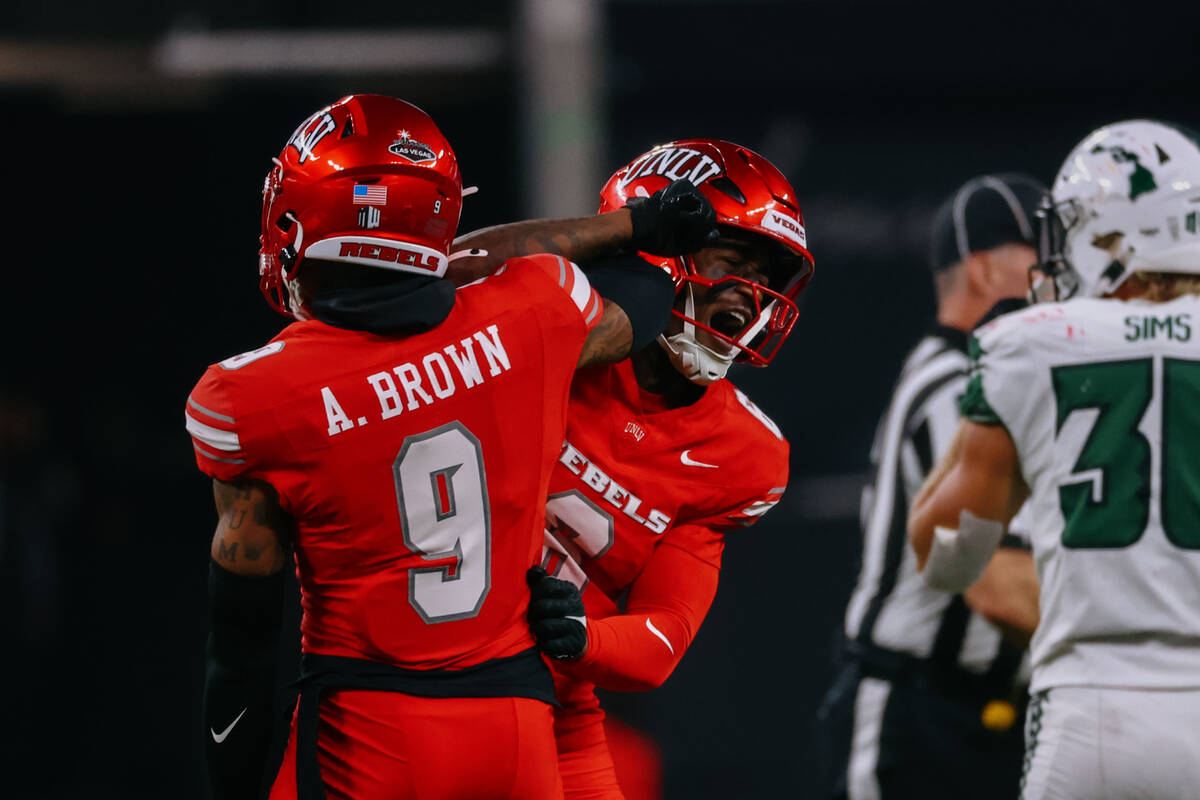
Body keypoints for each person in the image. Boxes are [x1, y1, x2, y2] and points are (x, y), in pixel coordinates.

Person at [186, 94, 718, 800]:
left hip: (374, 728)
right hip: (518, 731)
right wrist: (635, 226)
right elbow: (648, 289)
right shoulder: (534, 313)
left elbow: (244, 651)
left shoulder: (252, 396)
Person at [455, 138, 813, 798]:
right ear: (660, 245)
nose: (749, 297)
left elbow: (662, 636)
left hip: (553, 710)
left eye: (765, 279)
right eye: (732, 261)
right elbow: (441, 275)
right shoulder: (551, 325)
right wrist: (619, 235)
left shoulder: (746, 454)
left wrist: (580, 637)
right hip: (406, 677)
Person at [909, 120, 1200, 799]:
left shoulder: (1034, 345)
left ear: (1113, 238)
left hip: (1093, 707)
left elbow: (949, 557)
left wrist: (1001, 404)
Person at [818, 174, 1043, 800]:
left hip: (986, 713)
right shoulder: (957, 387)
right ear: (982, 269)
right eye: (1040, 256)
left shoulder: (986, 379)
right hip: (925, 715)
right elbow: (998, 585)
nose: (1058, 276)